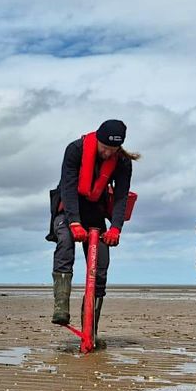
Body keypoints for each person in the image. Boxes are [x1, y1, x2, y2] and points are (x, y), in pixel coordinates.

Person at [48, 119, 137, 329]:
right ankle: (61, 308)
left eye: (113, 150)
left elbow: (121, 197)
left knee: (101, 266)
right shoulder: (75, 150)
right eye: (104, 148)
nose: (107, 153)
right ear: (97, 139)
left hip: (95, 214)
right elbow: (68, 188)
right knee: (65, 244)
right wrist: (74, 223)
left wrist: (116, 228)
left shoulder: (123, 162)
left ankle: (91, 329)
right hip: (67, 210)